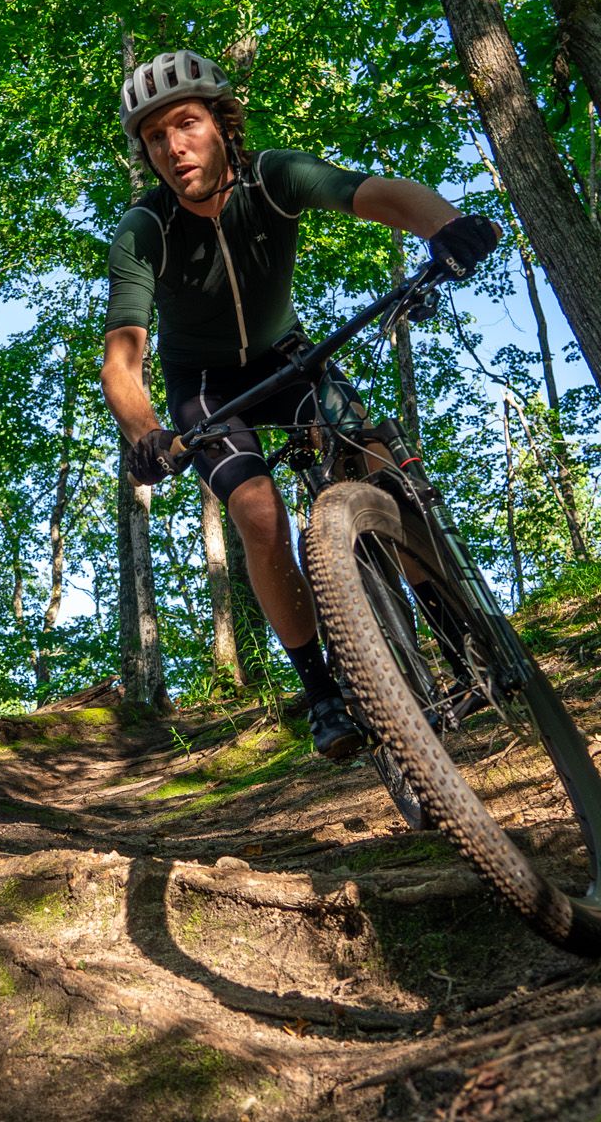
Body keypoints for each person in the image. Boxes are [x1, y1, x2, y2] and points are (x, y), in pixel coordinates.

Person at [99, 50, 500, 758]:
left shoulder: (273, 177)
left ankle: (458, 635)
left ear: (222, 124)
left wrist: (445, 226)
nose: (173, 147)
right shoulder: (145, 229)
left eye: (186, 124)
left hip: (290, 362)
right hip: (206, 390)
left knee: (379, 463)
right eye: (155, 137)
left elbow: (376, 194)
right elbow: (122, 359)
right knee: (256, 512)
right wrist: (147, 434)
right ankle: (321, 691)